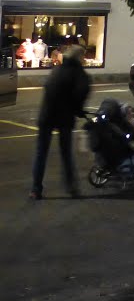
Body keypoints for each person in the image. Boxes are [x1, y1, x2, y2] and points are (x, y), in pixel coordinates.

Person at [30, 45, 91, 199]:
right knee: (66, 154)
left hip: (46, 116)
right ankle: (71, 187)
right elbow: (80, 95)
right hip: (64, 118)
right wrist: (79, 110)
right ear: (80, 57)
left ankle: (36, 189)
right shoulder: (79, 74)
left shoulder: (56, 70)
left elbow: (49, 89)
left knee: (41, 154)